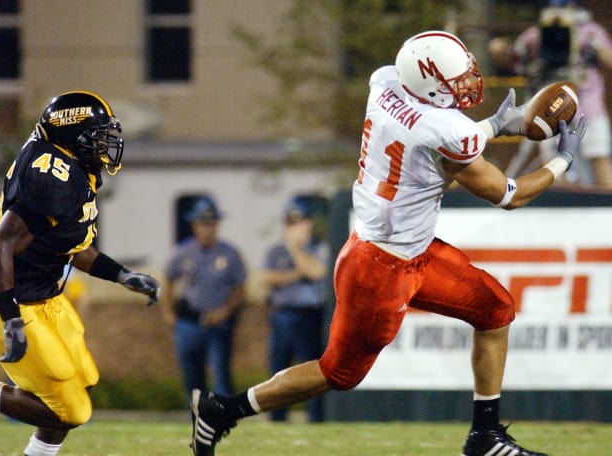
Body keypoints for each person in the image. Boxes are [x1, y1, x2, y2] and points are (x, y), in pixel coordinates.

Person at [188, 30, 586, 456]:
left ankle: (485, 437)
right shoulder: (446, 130)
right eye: (457, 79)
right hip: (380, 269)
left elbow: (436, 134)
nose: (469, 82)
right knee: (338, 373)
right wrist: (563, 160)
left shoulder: (387, 83)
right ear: (430, 84)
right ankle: (221, 410)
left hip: (408, 250)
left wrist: (493, 126)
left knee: (495, 309)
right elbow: (509, 195)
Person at [0, 91, 161, 455]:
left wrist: (121, 275)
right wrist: (11, 321)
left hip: (45, 298)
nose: (104, 145)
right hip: (11, 302)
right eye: (97, 135)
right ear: (70, 133)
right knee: (69, 410)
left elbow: (70, 246)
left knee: (80, 385)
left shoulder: (70, 167)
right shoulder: (51, 175)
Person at [492, 0, 612, 188]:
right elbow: (515, 58)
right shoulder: (536, 34)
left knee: (598, 153)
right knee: (555, 161)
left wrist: (592, 45)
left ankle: (609, 208)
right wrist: (501, 49)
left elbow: (611, 60)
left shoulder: (589, 32)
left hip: (589, 104)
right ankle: (561, 206)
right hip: (552, 105)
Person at [162, 196, 246, 398]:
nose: (207, 228)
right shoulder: (183, 252)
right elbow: (167, 280)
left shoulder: (229, 253)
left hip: (218, 323)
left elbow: (240, 288)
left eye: (211, 223)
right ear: (194, 225)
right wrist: (168, 312)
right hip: (189, 321)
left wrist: (225, 312)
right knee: (192, 378)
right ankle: (197, 419)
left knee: (220, 376)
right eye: (203, 223)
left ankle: (224, 419)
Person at [260, 196, 327, 422]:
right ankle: (278, 418)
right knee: (279, 369)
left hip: (309, 316)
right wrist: (297, 273)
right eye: (293, 222)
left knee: (313, 370)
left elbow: (317, 271)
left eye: (303, 221)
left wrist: (295, 249)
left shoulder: (319, 248)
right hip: (282, 314)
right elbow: (266, 278)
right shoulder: (275, 251)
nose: (299, 227)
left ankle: (316, 418)